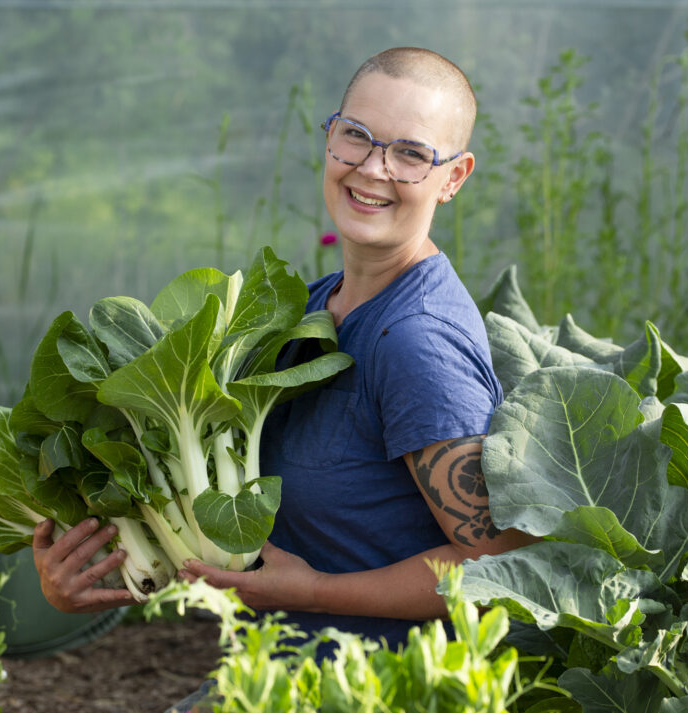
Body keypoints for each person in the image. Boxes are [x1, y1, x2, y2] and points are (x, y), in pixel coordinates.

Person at [32, 46, 531, 651]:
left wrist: (315, 591)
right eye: (357, 136)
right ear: (330, 138)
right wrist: (84, 570)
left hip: (375, 682)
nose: (373, 169)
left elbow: (498, 570)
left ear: (453, 177)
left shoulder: (416, 342)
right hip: (272, 667)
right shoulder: (317, 308)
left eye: (410, 153)